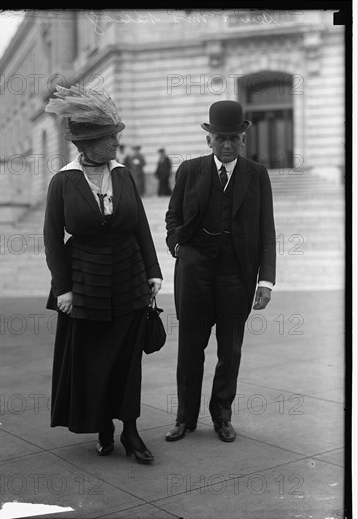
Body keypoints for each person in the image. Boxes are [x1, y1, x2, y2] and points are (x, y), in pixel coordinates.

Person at [44, 84, 162, 463]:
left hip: (129, 277)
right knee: (94, 360)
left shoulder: (124, 175)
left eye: (115, 136)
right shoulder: (63, 181)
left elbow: (140, 225)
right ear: (88, 144)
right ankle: (103, 426)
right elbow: (52, 238)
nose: (116, 143)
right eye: (110, 138)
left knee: (128, 361)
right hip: (85, 281)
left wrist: (153, 270)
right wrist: (64, 289)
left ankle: (130, 431)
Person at [165, 101, 276, 443]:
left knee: (230, 350)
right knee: (190, 348)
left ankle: (222, 417)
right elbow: (173, 218)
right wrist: (178, 247)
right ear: (208, 139)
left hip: (236, 274)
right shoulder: (189, 171)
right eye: (220, 138)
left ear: (243, 139)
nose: (226, 145)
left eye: (233, 138)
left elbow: (266, 229)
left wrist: (266, 280)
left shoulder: (256, 174)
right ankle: (185, 419)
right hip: (195, 272)